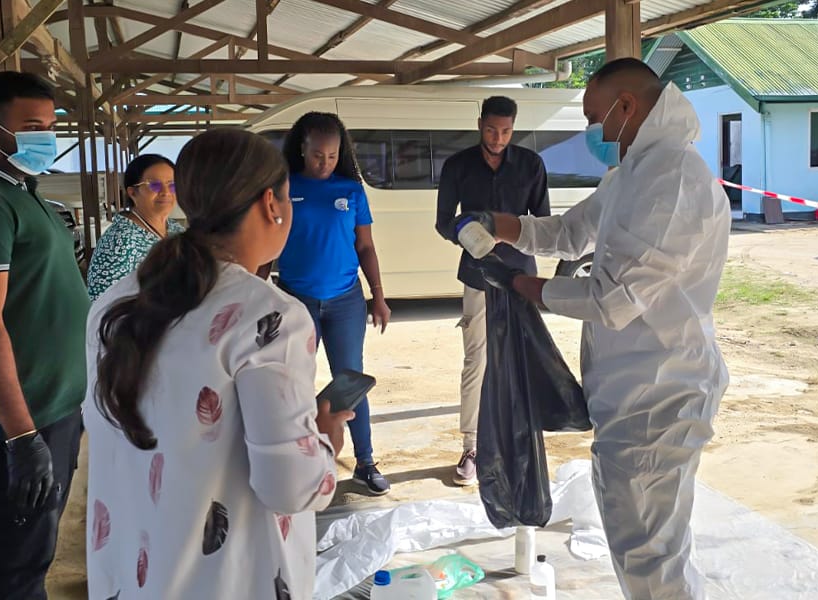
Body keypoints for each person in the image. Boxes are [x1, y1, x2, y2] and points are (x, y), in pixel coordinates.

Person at [454, 58, 730, 600]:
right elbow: (572, 231)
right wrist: (502, 226)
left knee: (650, 554)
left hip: (660, 394)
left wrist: (523, 287)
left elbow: (613, 298)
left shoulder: (672, 180)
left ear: (627, 107)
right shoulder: (632, 172)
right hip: (630, 393)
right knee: (645, 543)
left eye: (595, 117)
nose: (593, 132)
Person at [85, 128, 352, 599]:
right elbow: (290, 487)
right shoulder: (270, 317)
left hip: (131, 576)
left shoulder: (114, 303)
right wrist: (324, 442)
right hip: (225, 582)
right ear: (271, 204)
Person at [0, 71, 88, 600]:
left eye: (50, 127)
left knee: (32, 555)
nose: (45, 139)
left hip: (51, 408)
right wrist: (22, 439)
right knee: (16, 568)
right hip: (19, 423)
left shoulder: (19, 188)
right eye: (32, 127)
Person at [435, 96, 550, 486]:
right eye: (490, 130)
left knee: (522, 357)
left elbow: (544, 222)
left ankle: (520, 442)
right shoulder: (457, 166)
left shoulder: (532, 165)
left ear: (513, 128)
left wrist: (514, 237)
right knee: (477, 360)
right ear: (479, 122)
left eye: (505, 131)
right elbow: (442, 222)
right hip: (477, 274)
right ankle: (472, 446)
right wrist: (469, 234)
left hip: (521, 275)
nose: (497, 138)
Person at [276, 112, 392, 496]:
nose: (324, 163)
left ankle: (365, 461)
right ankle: (299, 457)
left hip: (346, 301)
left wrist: (378, 295)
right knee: (295, 380)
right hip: (298, 300)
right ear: (302, 150)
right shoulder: (284, 187)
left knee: (350, 380)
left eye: (331, 156)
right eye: (316, 156)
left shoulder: (352, 191)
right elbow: (267, 244)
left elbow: (366, 246)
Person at [87, 154, 185, 300]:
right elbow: (102, 300)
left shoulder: (176, 230)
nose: (166, 192)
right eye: (154, 185)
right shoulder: (120, 239)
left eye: (172, 185)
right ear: (132, 192)